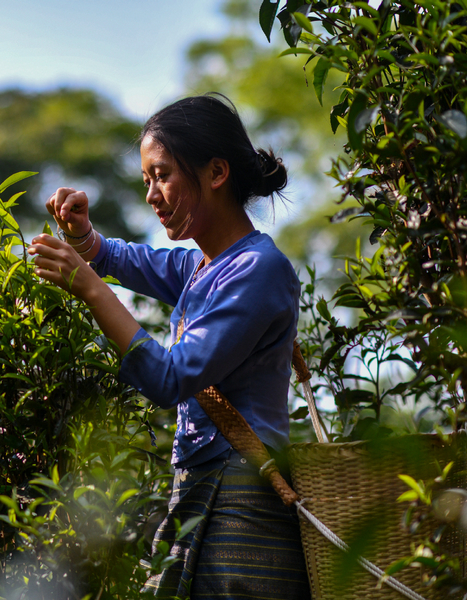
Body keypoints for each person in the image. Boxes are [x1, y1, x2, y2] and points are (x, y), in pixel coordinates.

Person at [27, 94, 311, 599]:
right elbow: (128, 259)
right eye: (146, 181)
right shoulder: (200, 267)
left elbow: (170, 377)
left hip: (243, 502)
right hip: (203, 488)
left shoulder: (258, 270)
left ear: (217, 172)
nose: (151, 195)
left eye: (161, 175)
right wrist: (84, 237)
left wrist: (90, 287)